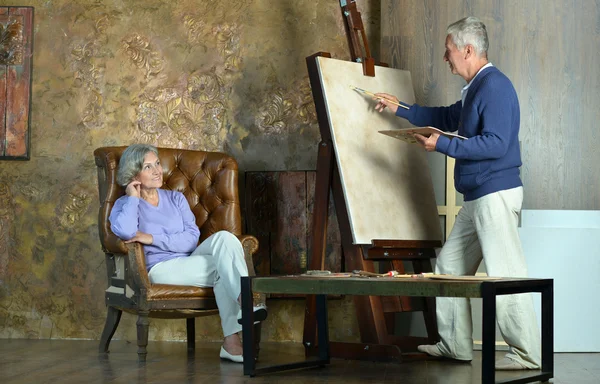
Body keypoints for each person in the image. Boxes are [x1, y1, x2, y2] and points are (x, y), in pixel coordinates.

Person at [373, 17, 540, 370]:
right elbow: (448, 116)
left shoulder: (494, 86)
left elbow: (496, 144)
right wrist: (400, 108)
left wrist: (443, 145)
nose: (446, 58)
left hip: (494, 195)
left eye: (449, 51)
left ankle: (527, 354)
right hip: (478, 196)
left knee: (505, 273)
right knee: (449, 267)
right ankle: (455, 344)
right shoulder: (477, 88)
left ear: (468, 50)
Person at [109, 144, 266, 363]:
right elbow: (125, 231)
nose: (157, 171)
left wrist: (152, 238)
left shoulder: (175, 199)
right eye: (148, 167)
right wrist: (133, 197)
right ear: (133, 174)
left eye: (157, 164)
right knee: (225, 267)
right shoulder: (124, 204)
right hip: (159, 268)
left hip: (188, 259)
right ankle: (237, 328)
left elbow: (191, 240)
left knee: (225, 238)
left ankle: (242, 308)